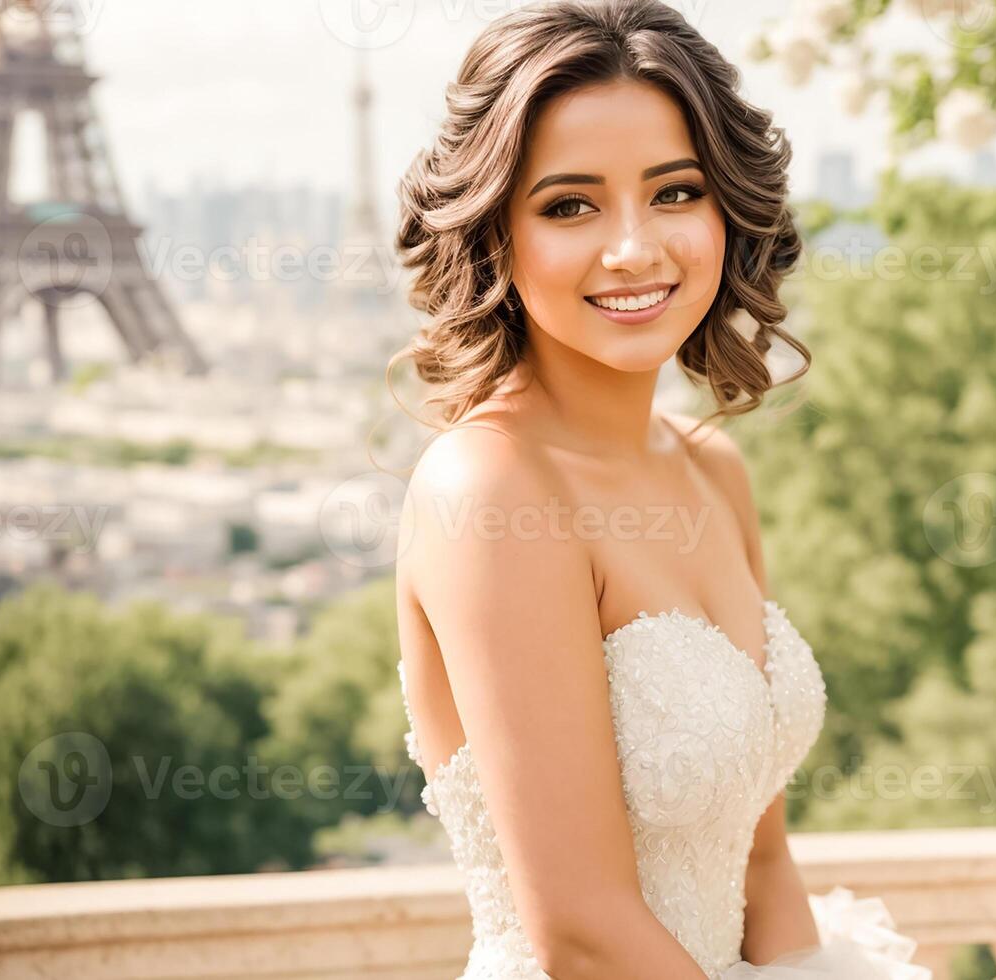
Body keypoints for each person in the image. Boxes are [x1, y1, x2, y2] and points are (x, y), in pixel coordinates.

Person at [387, 2, 927, 977]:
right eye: (569, 204)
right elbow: (583, 930)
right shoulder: (490, 489)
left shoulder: (710, 465)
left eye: (675, 192)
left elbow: (763, 863)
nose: (635, 248)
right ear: (496, 233)